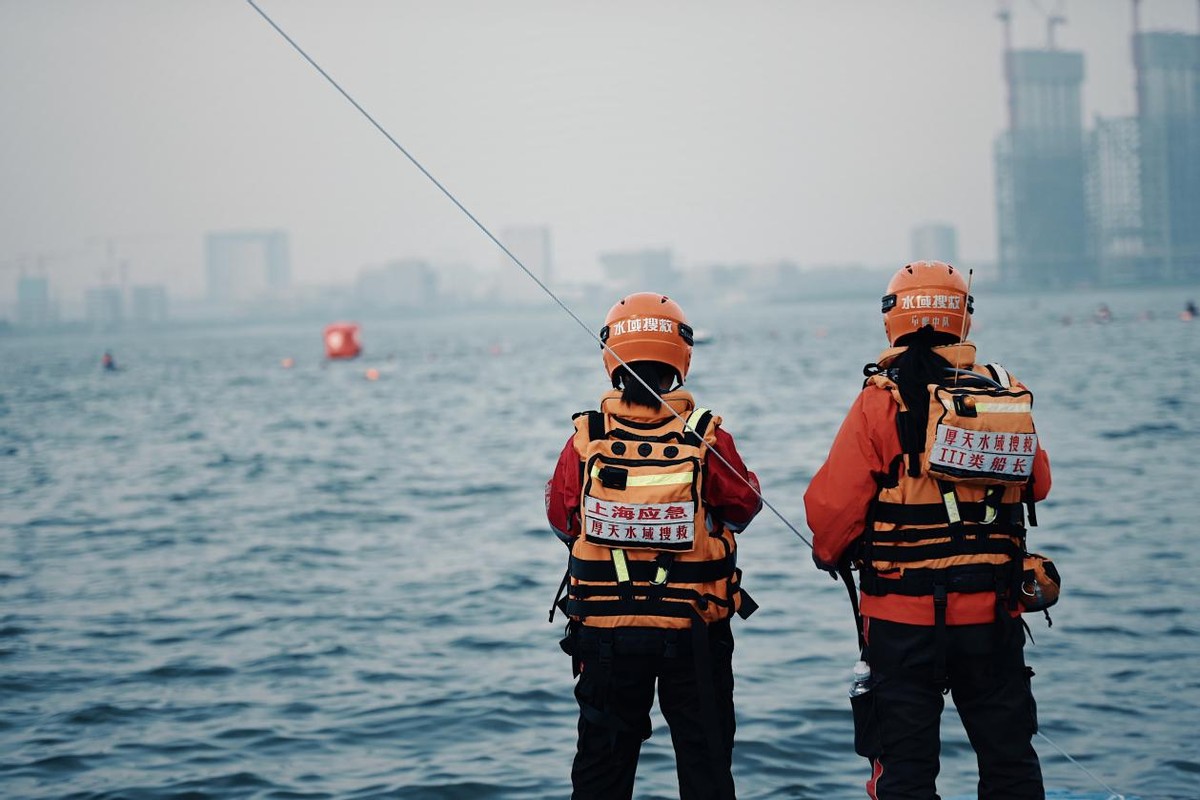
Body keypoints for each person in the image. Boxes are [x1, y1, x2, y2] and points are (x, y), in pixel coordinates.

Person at [804, 261, 1052, 800]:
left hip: (901, 623)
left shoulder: (880, 400)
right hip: (992, 614)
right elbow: (1039, 483)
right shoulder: (1005, 394)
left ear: (893, 319)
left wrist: (832, 554)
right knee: (1009, 762)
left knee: (906, 772)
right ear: (962, 317)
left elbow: (831, 512)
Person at [546, 292, 762, 800]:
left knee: (602, 773)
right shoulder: (707, 436)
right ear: (680, 356)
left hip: (604, 637)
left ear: (611, 356)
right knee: (706, 770)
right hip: (695, 631)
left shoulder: (585, 439)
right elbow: (743, 510)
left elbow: (561, 522)